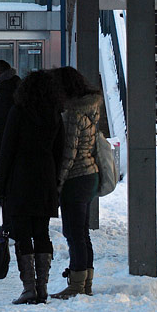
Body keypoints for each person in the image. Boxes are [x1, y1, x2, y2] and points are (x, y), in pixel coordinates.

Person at [0, 69, 64, 304]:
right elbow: (60, 150)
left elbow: (7, 150)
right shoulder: (55, 114)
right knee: (41, 232)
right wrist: (55, 181)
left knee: (23, 233)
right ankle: (42, 287)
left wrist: (0, 184)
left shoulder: (19, 112)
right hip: (45, 177)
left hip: (21, 178)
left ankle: (29, 288)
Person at [50, 66, 103, 299]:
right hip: (89, 175)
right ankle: (85, 283)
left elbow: (68, 153)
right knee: (81, 232)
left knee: (74, 233)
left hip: (76, 178)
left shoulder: (72, 114)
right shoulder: (89, 109)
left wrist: (58, 181)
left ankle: (76, 285)